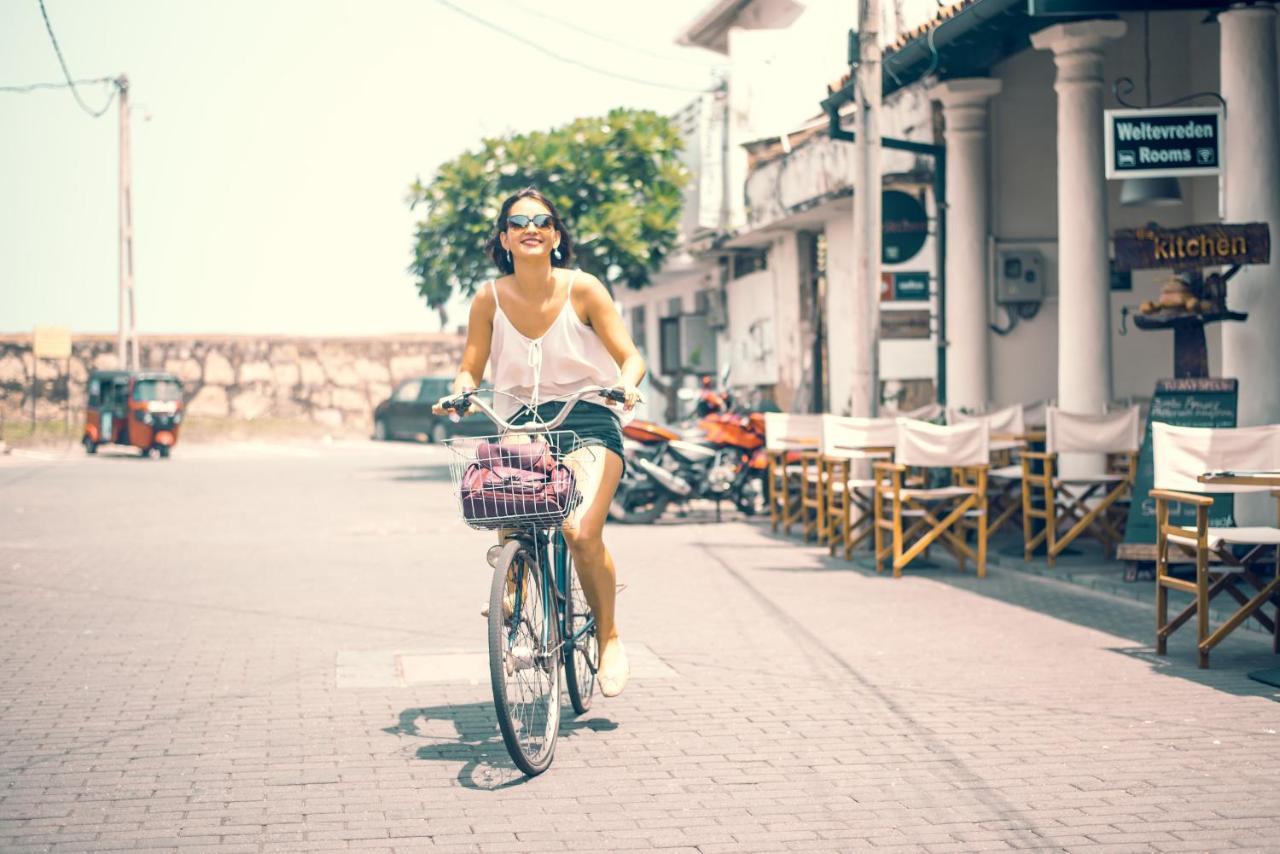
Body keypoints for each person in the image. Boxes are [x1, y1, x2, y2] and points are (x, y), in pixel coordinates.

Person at [433, 186, 645, 698]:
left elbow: (630, 357)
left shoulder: (585, 289)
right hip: (524, 423)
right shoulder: (489, 298)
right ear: (504, 238)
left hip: (590, 419)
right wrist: (461, 392)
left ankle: (610, 636)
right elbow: (471, 366)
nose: (531, 227)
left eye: (542, 221)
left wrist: (630, 384)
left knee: (578, 530)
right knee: (503, 500)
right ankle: (514, 576)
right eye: (518, 221)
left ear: (555, 237)